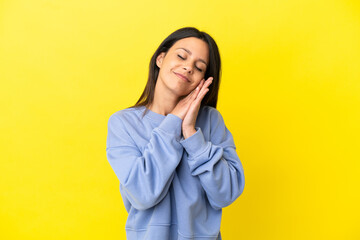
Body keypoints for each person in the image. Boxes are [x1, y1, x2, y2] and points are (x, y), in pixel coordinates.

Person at [106, 27, 245, 240]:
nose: (188, 67)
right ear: (160, 58)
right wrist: (173, 123)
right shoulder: (123, 123)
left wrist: (191, 133)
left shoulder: (211, 121)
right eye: (181, 56)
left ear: (203, 80)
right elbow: (143, 194)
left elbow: (225, 194)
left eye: (199, 67)